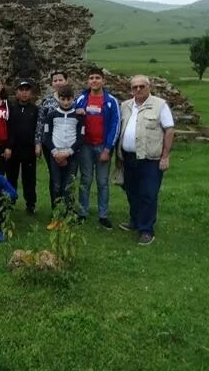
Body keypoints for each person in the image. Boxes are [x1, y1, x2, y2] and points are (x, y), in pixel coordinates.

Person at [116, 75, 175, 246]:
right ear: (131, 89)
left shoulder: (160, 105)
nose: (138, 89)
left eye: (142, 86)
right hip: (128, 157)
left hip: (150, 159)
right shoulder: (125, 106)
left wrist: (165, 155)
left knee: (148, 194)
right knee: (131, 191)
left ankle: (146, 230)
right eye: (135, 87)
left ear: (149, 86)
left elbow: (169, 130)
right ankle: (134, 221)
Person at [74, 67, 120, 228]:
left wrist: (108, 149)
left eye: (97, 78)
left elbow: (115, 125)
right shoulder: (81, 99)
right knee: (85, 180)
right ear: (88, 81)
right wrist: (76, 112)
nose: (94, 80)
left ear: (103, 81)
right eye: (91, 78)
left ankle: (103, 215)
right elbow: (70, 116)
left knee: (102, 182)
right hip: (85, 146)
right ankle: (82, 212)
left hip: (102, 147)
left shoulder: (110, 101)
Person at [41, 83, 83, 210]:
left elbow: (81, 138)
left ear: (73, 99)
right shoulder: (51, 115)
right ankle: (56, 214)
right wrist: (55, 153)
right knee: (56, 185)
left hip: (72, 155)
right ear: (58, 98)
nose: (65, 102)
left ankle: (68, 214)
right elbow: (47, 137)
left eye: (69, 99)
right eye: (63, 99)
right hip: (55, 155)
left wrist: (68, 152)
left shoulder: (78, 116)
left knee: (68, 185)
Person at [34, 70, 69, 207]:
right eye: (55, 80)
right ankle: (56, 208)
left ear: (66, 81)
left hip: (68, 145)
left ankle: (68, 207)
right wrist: (37, 143)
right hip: (50, 145)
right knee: (55, 178)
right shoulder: (47, 102)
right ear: (52, 83)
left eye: (61, 80)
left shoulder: (74, 100)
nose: (58, 83)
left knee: (68, 177)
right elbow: (40, 123)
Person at [8, 79, 38, 215]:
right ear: (16, 92)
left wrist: (38, 145)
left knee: (29, 179)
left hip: (29, 149)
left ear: (31, 93)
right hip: (13, 149)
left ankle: (30, 204)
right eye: (21, 90)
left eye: (27, 90)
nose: (24, 93)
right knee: (11, 177)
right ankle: (10, 201)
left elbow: (38, 129)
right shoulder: (11, 108)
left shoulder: (35, 109)